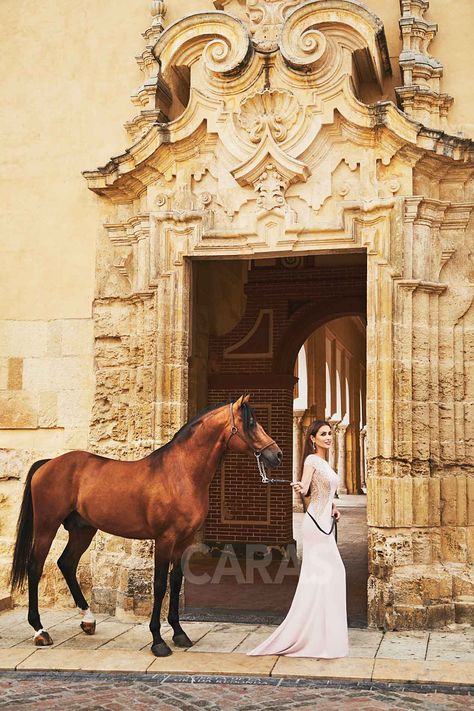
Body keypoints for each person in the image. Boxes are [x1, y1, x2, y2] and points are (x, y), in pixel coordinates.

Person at [247, 420, 349, 658]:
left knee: (329, 577)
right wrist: (298, 488)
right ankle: (312, 633)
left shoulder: (325, 462)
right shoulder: (312, 460)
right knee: (328, 574)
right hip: (314, 525)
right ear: (312, 438)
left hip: (326, 521)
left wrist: (333, 506)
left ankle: (324, 633)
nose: (328, 437)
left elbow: (324, 490)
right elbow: (305, 488)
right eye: (323, 434)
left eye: (330, 433)